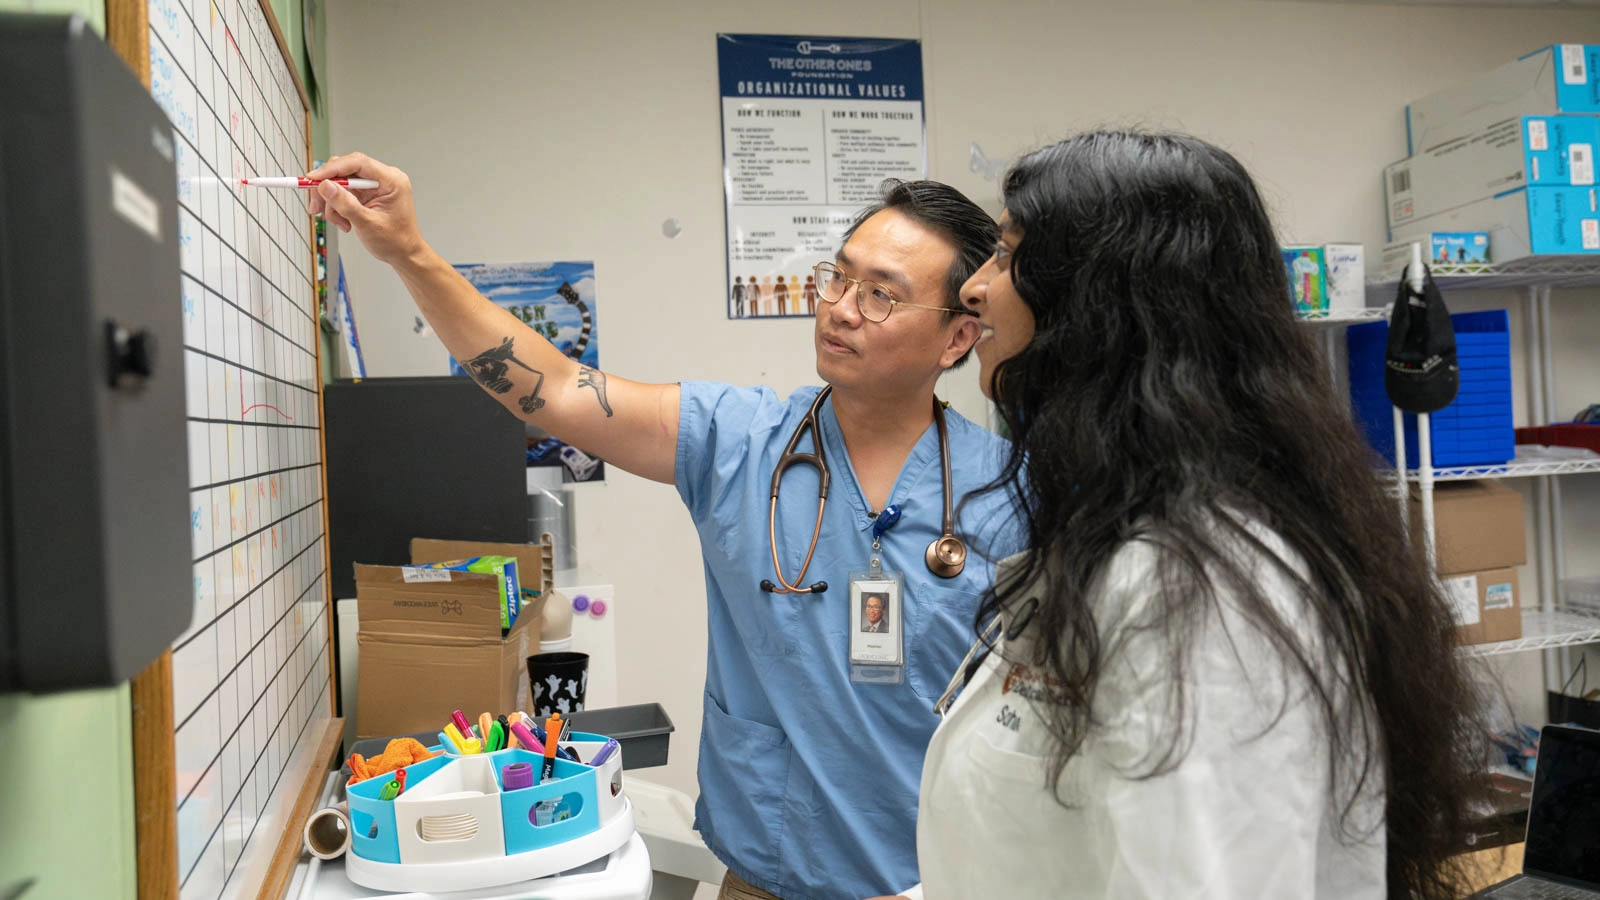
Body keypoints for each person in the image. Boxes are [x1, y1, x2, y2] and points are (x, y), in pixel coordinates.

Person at [307, 154, 1020, 900]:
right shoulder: (737, 443)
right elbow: (550, 388)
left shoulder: (1010, 493)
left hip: (933, 883)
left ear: (957, 340)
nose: (841, 307)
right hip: (763, 878)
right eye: (838, 277)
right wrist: (409, 253)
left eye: (881, 295)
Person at [881, 132, 1484, 899]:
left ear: (1104, 299)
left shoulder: (1202, 590)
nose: (976, 287)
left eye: (1008, 254)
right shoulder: (1122, 528)